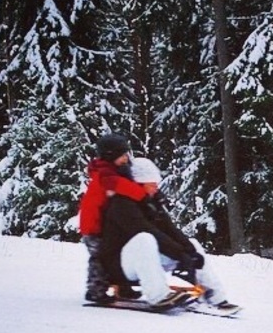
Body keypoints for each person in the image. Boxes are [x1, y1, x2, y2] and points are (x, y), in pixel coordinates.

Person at [101, 157, 238, 312]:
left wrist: (190, 252)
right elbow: (148, 231)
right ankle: (158, 296)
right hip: (118, 265)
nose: (156, 189)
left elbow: (169, 229)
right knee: (145, 239)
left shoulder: (150, 203)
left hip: (143, 260)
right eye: (152, 185)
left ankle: (214, 297)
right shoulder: (121, 204)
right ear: (138, 183)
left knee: (193, 244)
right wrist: (180, 254)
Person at [78, 133, 147, 304]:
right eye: (122, 155)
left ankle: (122, 287)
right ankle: (95, 290)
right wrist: (145, 193)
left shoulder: (110, 172)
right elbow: (128, 189)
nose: (126, 159)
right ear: (111, 156)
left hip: (104, 224)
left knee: (116, 255)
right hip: (93, 226)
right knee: (100, 258)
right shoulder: (106, 176)